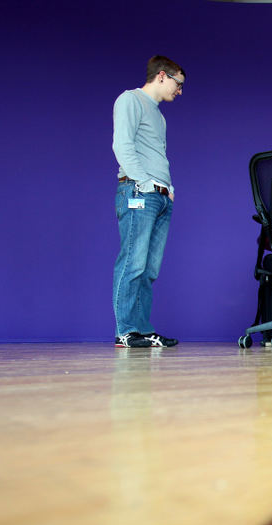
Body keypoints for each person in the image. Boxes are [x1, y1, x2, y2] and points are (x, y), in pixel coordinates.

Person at [111, 55, 185, 348]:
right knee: (132, 262)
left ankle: (141, 330)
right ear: (163, 76)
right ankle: (125, 330)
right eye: (178, 84)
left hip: (161, 197)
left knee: (149, 269)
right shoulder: (129, 100)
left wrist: (168, 188)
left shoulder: (159, 115)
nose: (179, 91)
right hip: (138, 192)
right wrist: (143, 183)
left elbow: (156, 154)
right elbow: (122, 145)